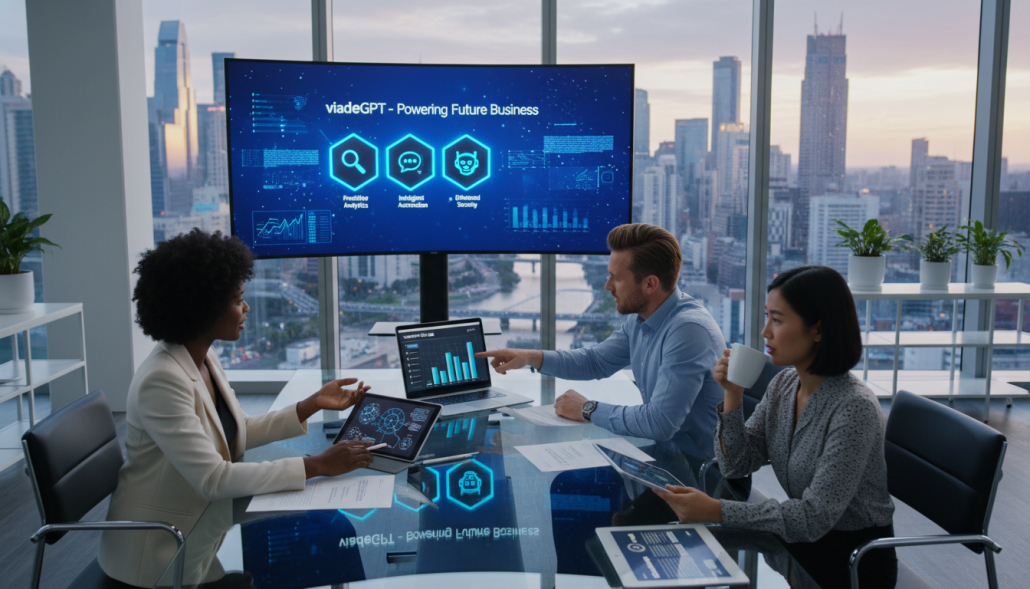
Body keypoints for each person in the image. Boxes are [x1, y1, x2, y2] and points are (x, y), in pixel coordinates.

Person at [99, 230, 375, 587]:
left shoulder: (202, 357)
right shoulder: (161, 380)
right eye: (237, 299)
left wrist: (310, 405)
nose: (245, 308)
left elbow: (237, 428)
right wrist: (316, 465)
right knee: (327, 531)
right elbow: (214, 479)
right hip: (158, 551)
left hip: (204, 525)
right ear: (202, 308)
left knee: (328, 527)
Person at [657, 265, 897, 588]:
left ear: (818, 330)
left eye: (777, 320)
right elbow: (735, 464)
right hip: (798, 545)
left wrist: (716, 510)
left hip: (850, 561)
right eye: (767, 317)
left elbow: (813, 518)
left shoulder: (854, 409)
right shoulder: (786, 384)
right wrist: (732, 393)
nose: (765, 332)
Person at [477, 223, 725, 458]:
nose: (607, 286)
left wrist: (588, 409)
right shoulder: (642, 318)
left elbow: (659, 423)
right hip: (665, 455)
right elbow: (596, 361)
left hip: (702, 474)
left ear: (650, 284)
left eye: (616, 278)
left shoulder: (688, 331)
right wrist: (531, 357)